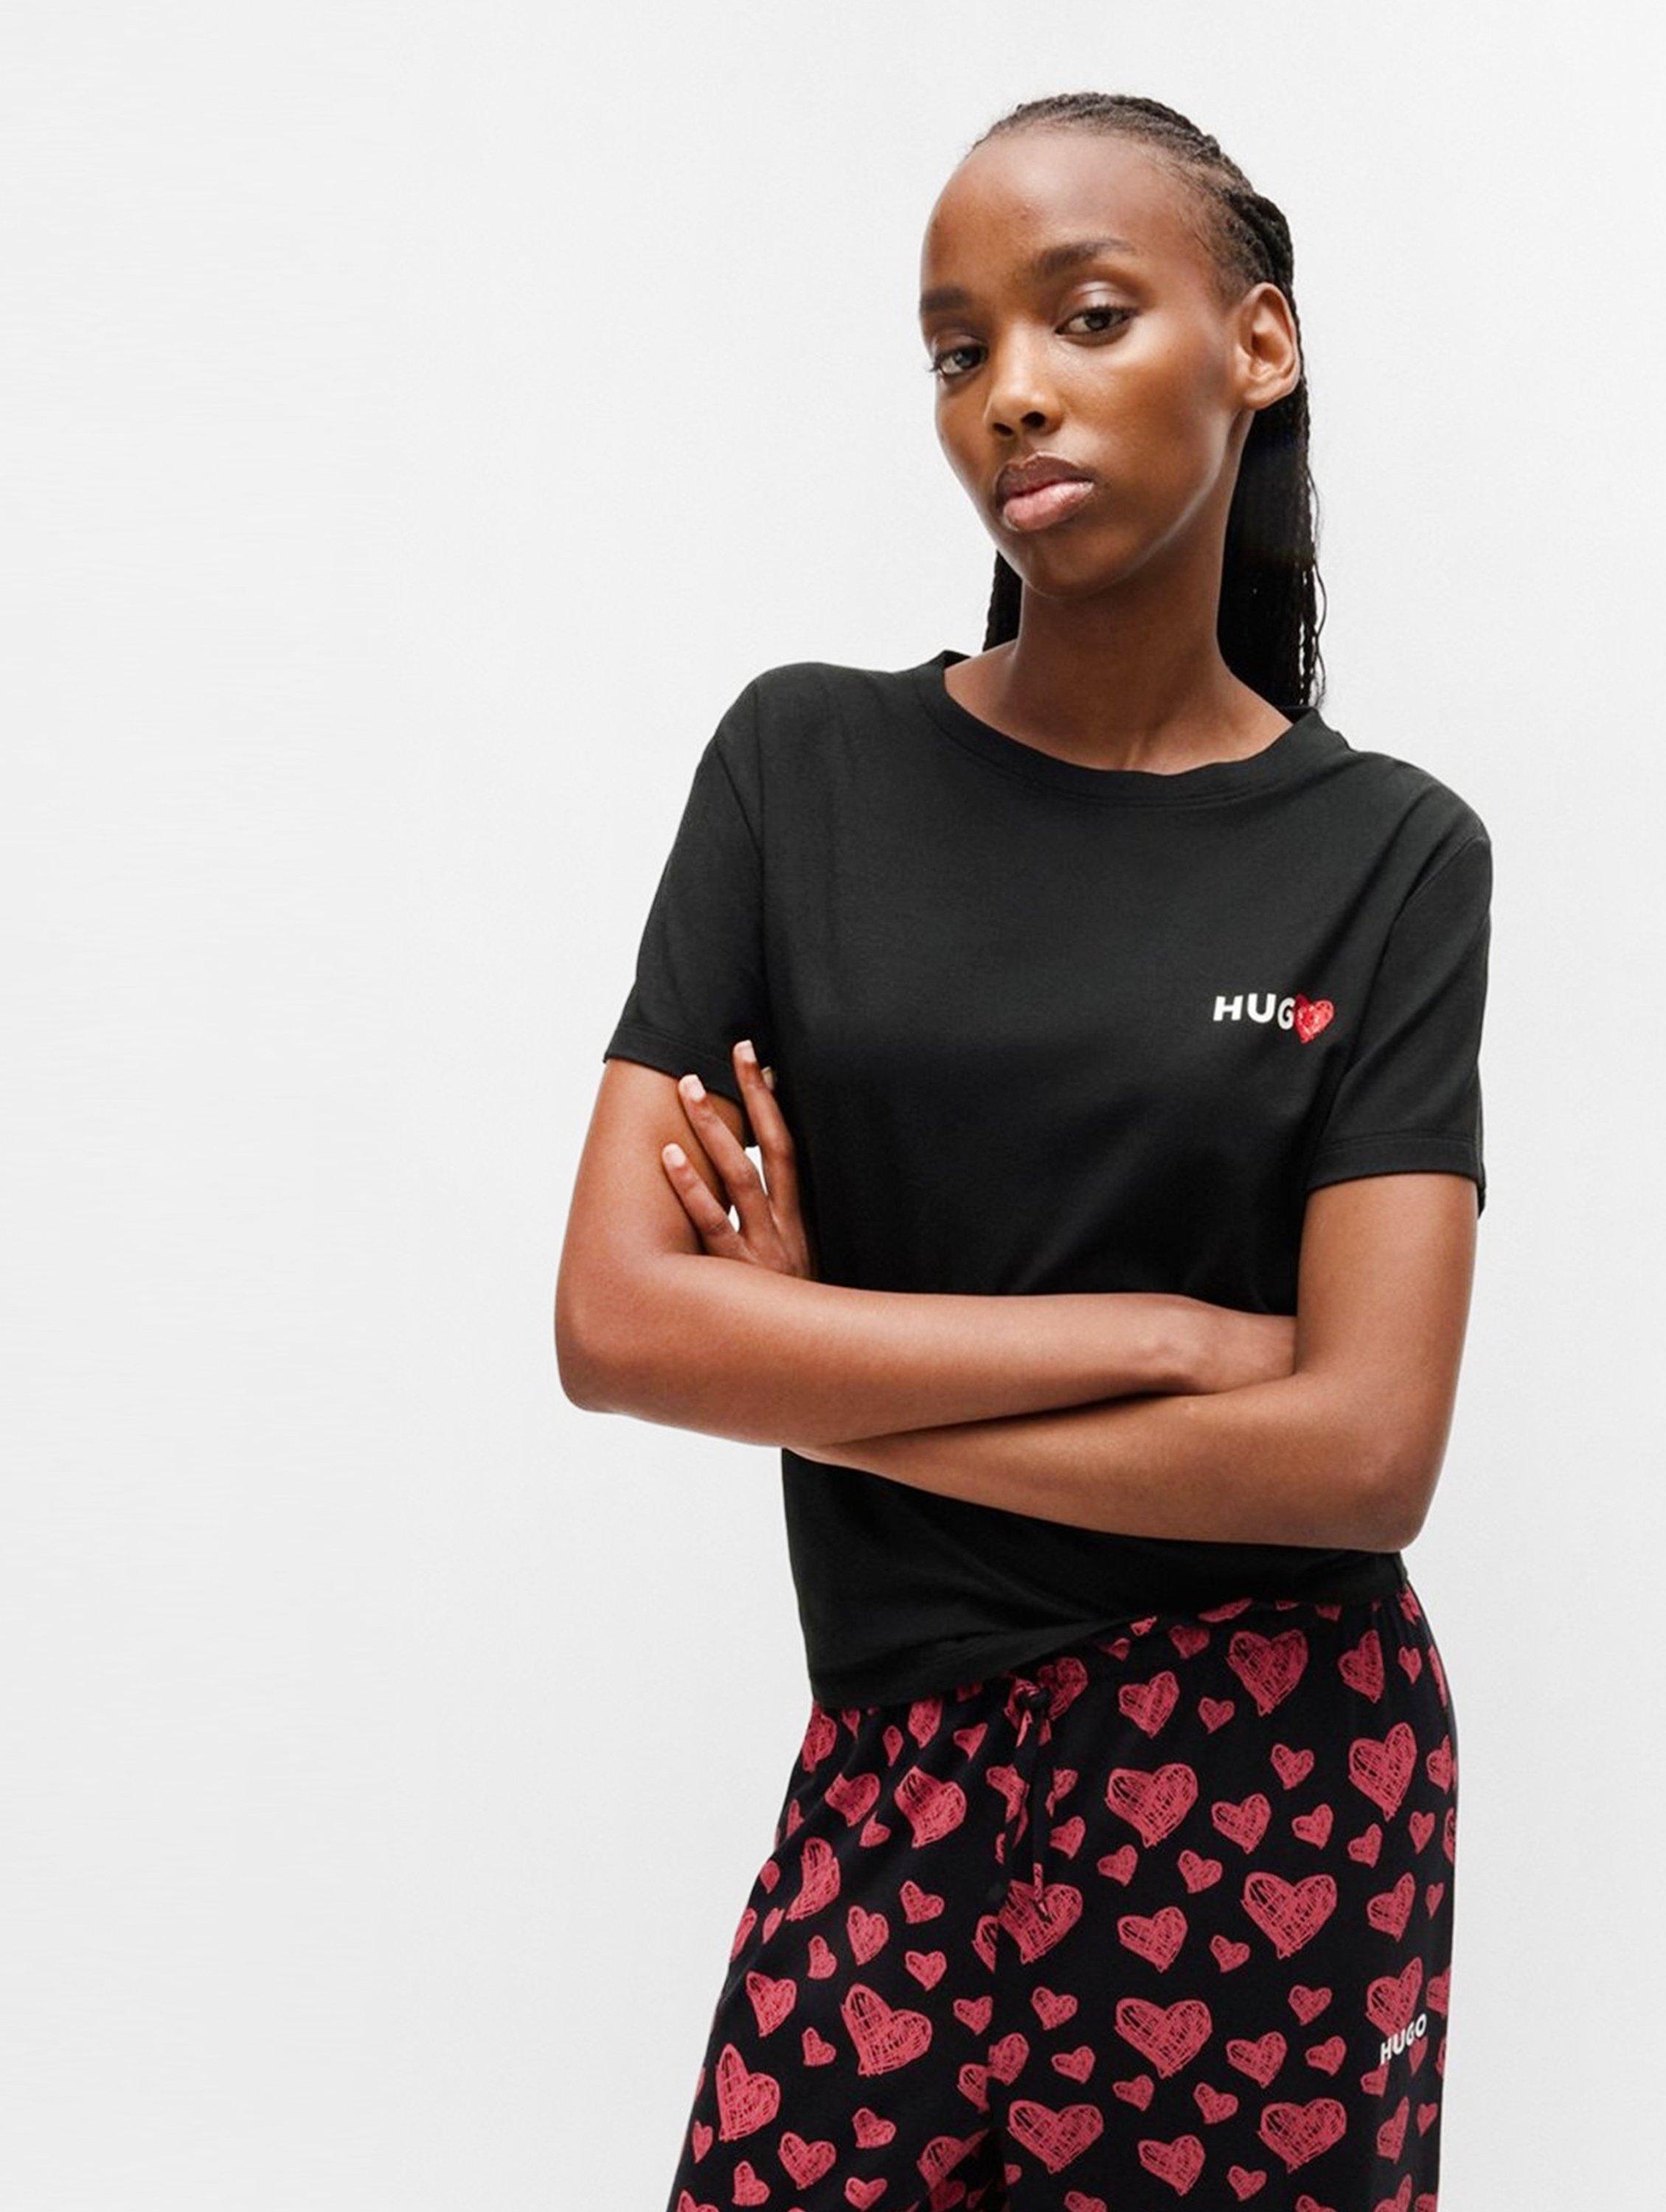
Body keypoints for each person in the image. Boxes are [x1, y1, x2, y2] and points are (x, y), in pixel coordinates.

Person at [556, 89, 1490, 2212]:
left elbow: (1361, 1455)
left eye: (1085, 314)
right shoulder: (802, 766)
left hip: (1275, 1785)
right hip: (891, 1767)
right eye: (958, 349)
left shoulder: (1390, 858)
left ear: (1260, 342)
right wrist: (1166, 1340)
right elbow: (618, 1324)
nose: (1012, 395)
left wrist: (812, 1368)